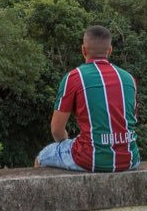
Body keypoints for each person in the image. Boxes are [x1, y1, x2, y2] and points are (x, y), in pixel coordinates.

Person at [35, 25, 140, 172]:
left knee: (42, 157)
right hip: (130, 159)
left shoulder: (74, 77)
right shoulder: (129, 79)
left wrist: (65, 142)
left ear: (83, 50)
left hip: (89, 159)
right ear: (110, 51)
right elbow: (130, 121)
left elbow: (57, 131)